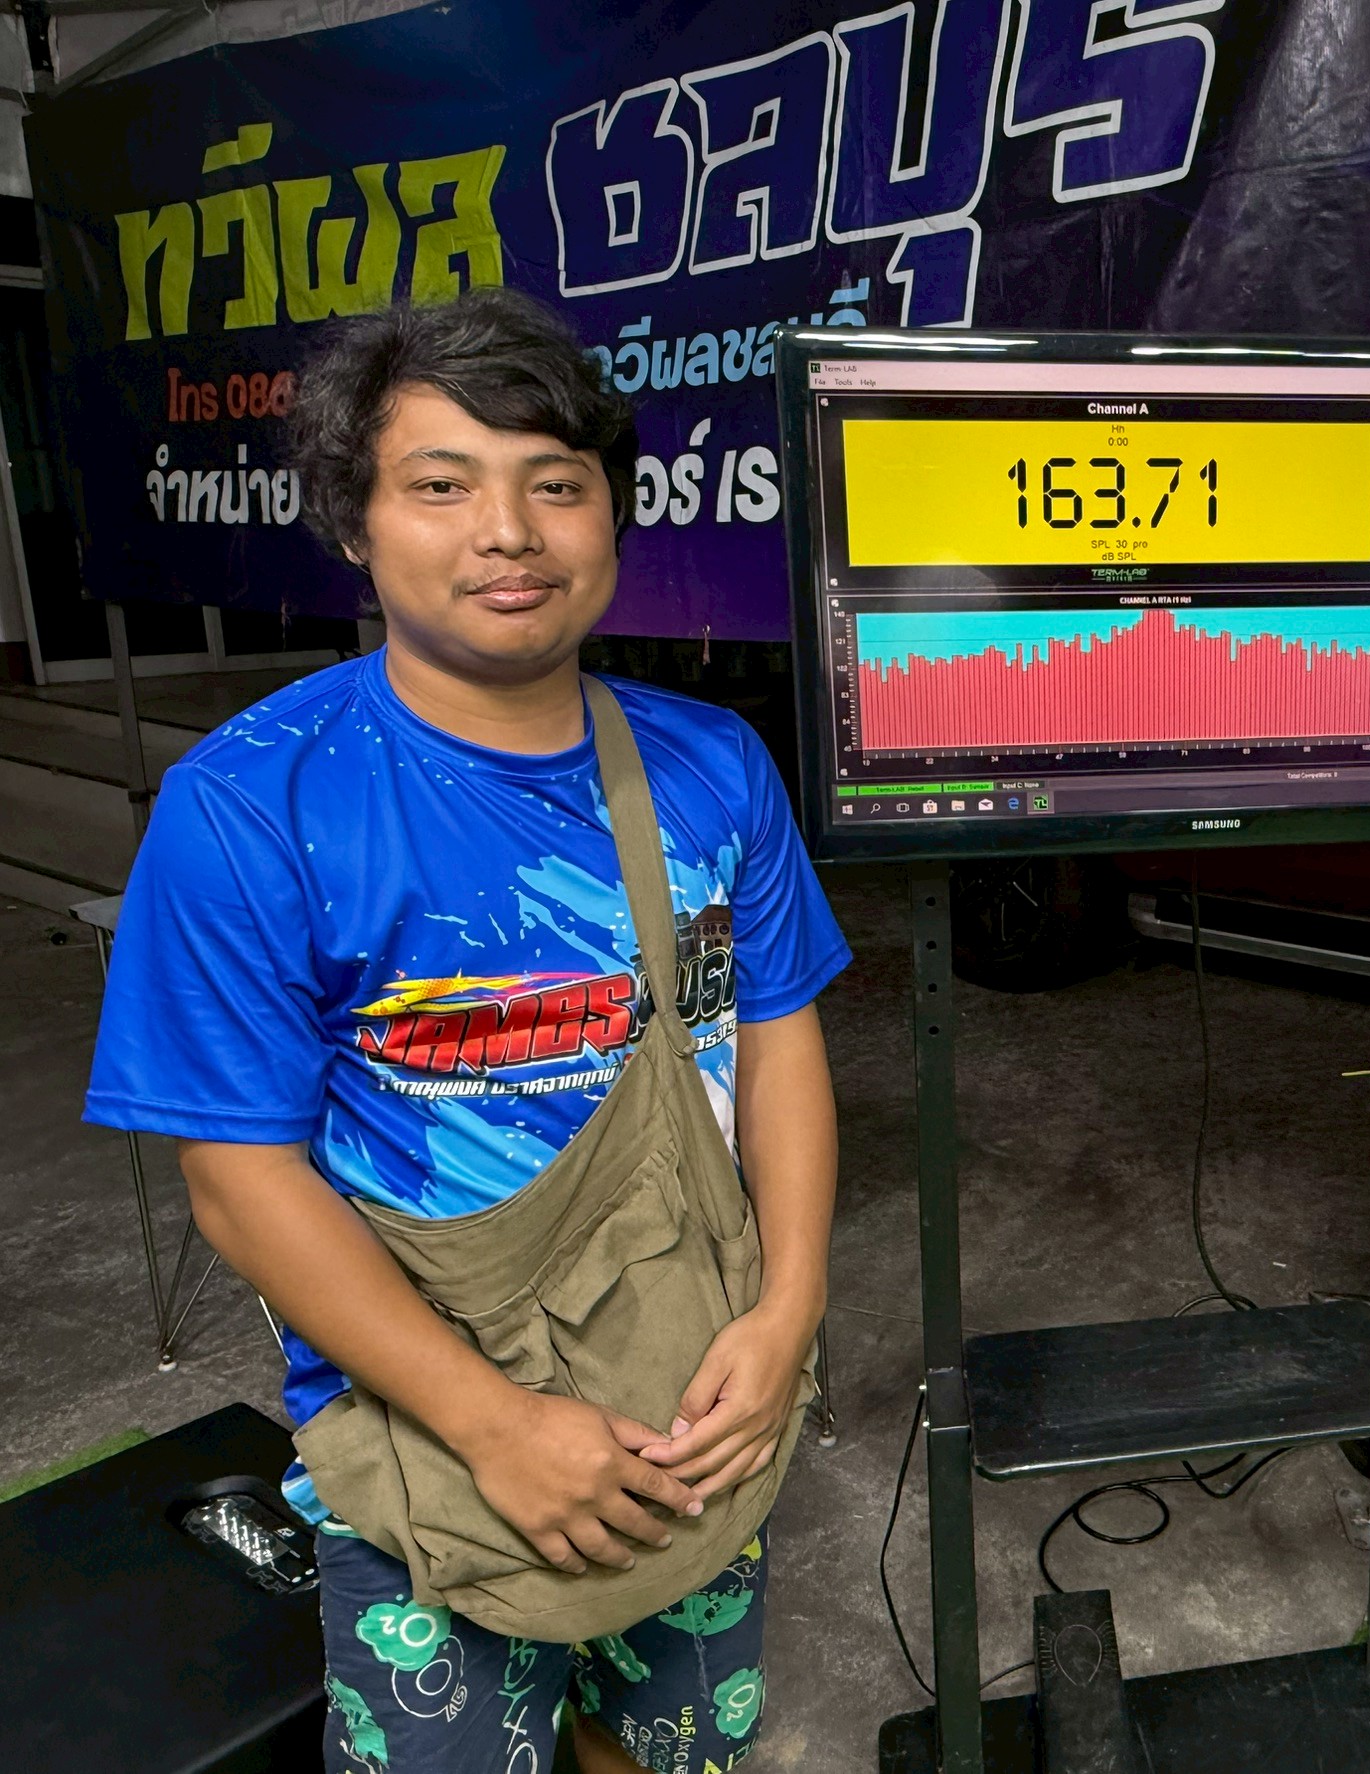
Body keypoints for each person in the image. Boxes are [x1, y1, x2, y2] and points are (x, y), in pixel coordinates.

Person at [84, 288, 850, 1773]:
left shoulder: (713, 766)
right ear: (356, 525)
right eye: (442, 485)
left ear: (612, 517)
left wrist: (788, 1311)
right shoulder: (254, 805)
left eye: (556, 484)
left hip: (694, 1398)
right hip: (428, 1428)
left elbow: (778, 1045)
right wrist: (494, 1424)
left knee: (671, 1751)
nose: (510, 531)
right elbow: (240, 1180)